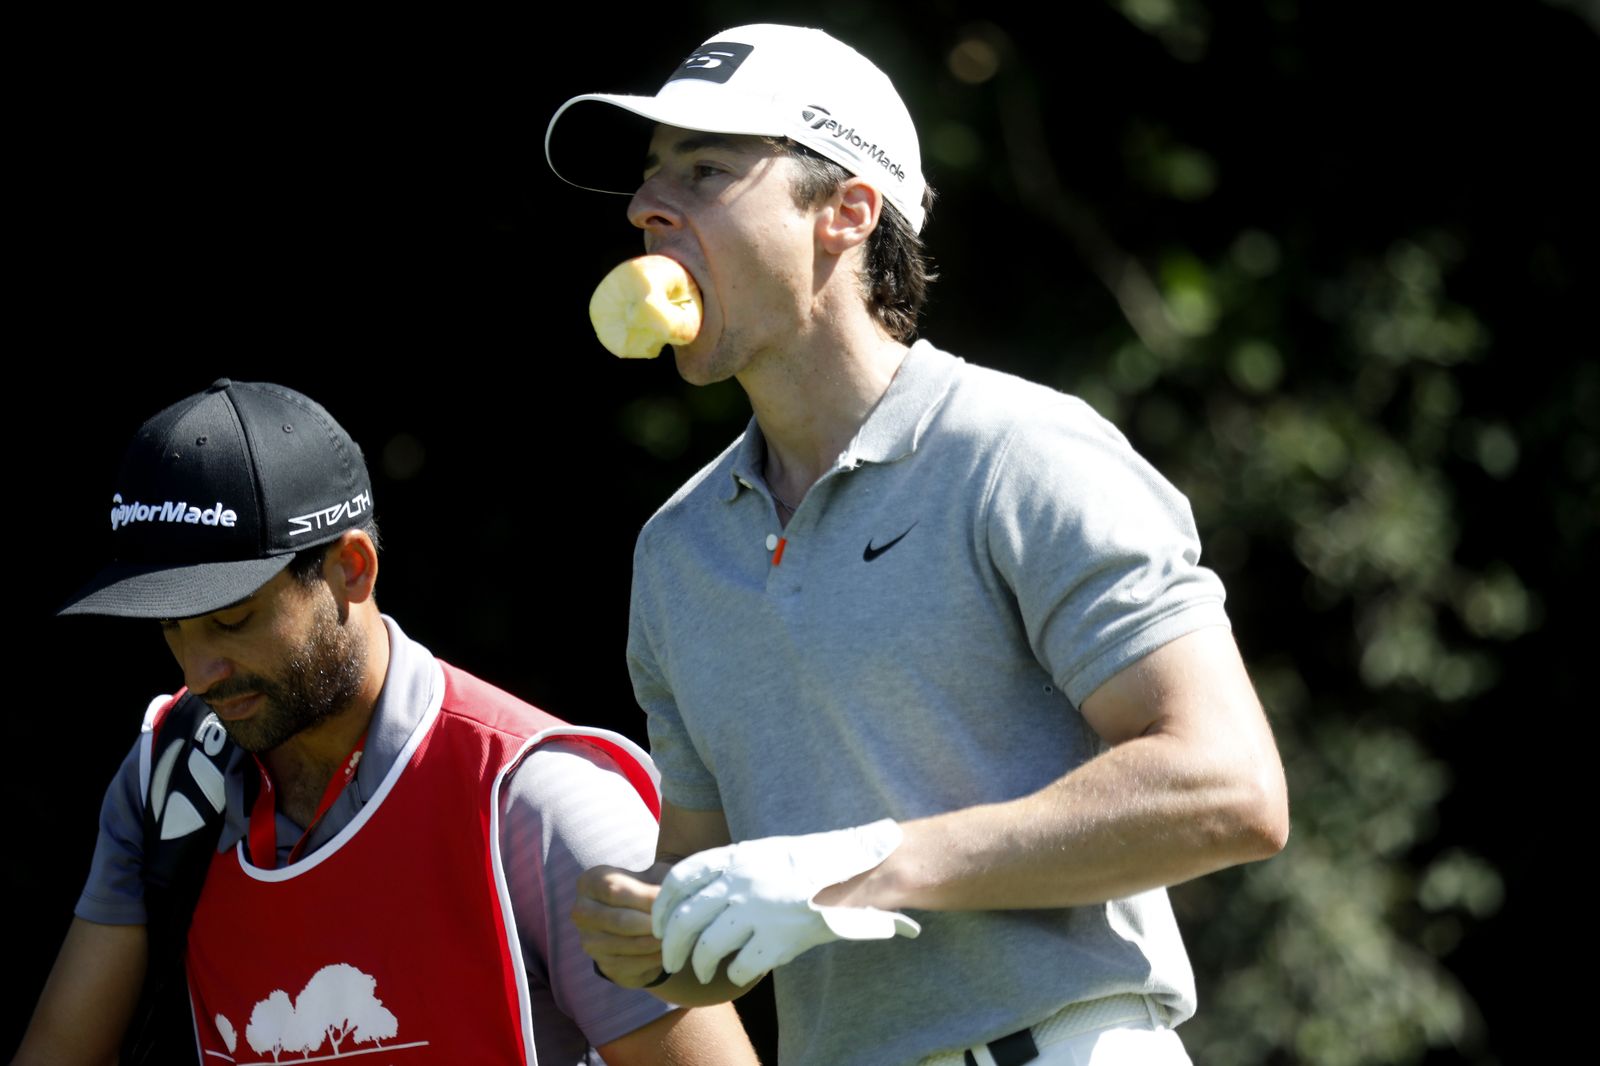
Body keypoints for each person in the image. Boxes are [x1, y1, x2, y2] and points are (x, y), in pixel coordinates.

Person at [545, 23, 1291, 1066]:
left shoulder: (1019, 452)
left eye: (705, 169)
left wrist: (854, 871)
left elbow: (1229, 791)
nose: (643, 208)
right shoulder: (676, 553)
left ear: (846, 212)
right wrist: (652, 935)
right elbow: (719, 904)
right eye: (650, 175)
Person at [16, 379, 758, 1066]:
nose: (198, 670)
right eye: (173, 629)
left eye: (233, 620)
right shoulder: (168, 777)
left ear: (352, 569)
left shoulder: (538, 799)